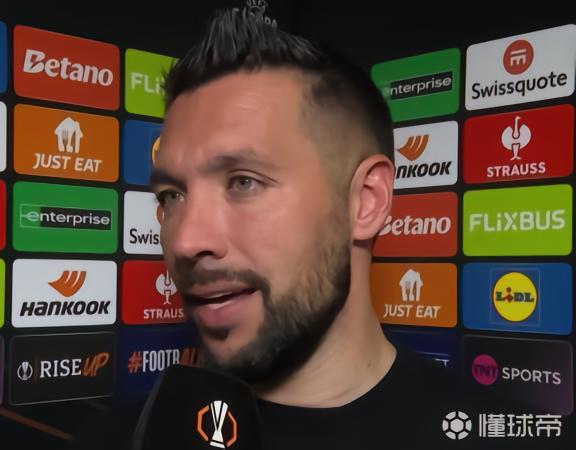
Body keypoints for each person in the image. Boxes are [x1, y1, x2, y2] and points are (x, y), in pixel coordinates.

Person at [147, 9, 567, 450]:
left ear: (366, 201)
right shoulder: (132, 434)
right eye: (172, 195)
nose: (186, 240)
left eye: (243, 183)